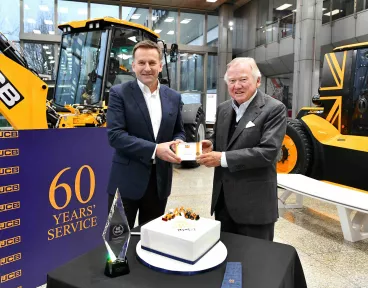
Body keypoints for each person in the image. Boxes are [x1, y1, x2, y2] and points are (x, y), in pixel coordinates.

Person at [197, 57, 287, 241]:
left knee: (255, 263)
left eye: (243, 79)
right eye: (232, 81)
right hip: (224, 204)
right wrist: (211, 144)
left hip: (255, 208)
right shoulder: (223, 109)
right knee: (227, 259)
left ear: (258, 81)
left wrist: (221, 158)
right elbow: (225, 140)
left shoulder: (274, 109)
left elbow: (268, 152)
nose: (237, 85)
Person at [106, 40, 185, 229]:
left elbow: (179, 130)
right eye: (141, 63)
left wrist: (179, 142)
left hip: (159, 184)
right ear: (133, 66)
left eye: (151, 62)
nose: (147, 68)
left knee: (152, 241)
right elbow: (115, 135)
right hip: (125, 181)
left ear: (160, 65)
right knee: (117, 244)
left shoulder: (173, 97)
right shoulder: (119, 93)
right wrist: (156, 149)